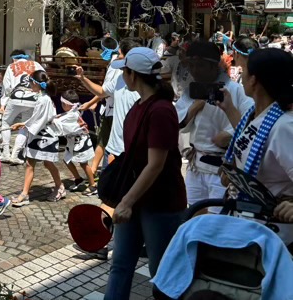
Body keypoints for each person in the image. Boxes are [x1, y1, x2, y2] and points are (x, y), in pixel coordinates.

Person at [104, 48, 187, 299]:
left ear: (133, 75)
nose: (122, 76)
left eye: (124, 71)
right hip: (135, 197)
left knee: (160, 270)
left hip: (160, 202)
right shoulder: (139, 105)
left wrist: (126, 202)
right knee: (120, 264)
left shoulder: (160, 110)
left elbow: (156, 164)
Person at [221, 48, 293, 245]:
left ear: (254, 80)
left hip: (275, 233)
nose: (241, 76)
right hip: (248, 222)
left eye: (243, 71)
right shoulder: (253, 115)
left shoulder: (284, 127)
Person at [176, 41, 252, 209]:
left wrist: (230, 134)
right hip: (196, 166)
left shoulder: (235, 90)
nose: (195, 71)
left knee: (216, 219)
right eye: (192, 66)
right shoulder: (192, 91)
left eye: (201, 66)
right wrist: (194, 108)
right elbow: (178, 120)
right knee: (194, 213)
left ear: (213, 66)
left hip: (221, 169)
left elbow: (251, 121)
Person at [76, 39, 140, 160]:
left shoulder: (144, 88)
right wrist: (83, 79)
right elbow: (102, 91)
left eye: (120, 54)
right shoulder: (120, 78)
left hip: (132, 150)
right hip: (114, 148)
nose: (118, 56)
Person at [10, 71, 66, 206]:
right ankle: (25, 194)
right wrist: (24, 125)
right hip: (40, 134)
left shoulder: (43, 99)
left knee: (47, 163)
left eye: (30, 82)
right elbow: (37, 119)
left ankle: (60, 187)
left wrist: (23, 125)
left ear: (35, 83)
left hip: (44, 135)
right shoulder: (43, 97)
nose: (29, 85)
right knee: (30, 164)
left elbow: (38, 121)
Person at [3, 50, 46, 164]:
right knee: (25, 125)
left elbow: (7, 87)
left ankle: (6, 153)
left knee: (6, 122)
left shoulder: (11, 66)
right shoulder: (36, 64)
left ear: (14, 58)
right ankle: (15, 154)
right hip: (33, 98)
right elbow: (44, 79)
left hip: (16, 96)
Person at [57, 90, 97, 196]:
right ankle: (78, 180)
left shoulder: (72, 115)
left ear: (66, 104)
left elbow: (58, 123)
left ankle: (93, 186)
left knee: (84, 164)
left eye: (62, 104)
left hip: (80, 142)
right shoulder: (73, 112)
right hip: (73, 142)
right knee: (67, 159)